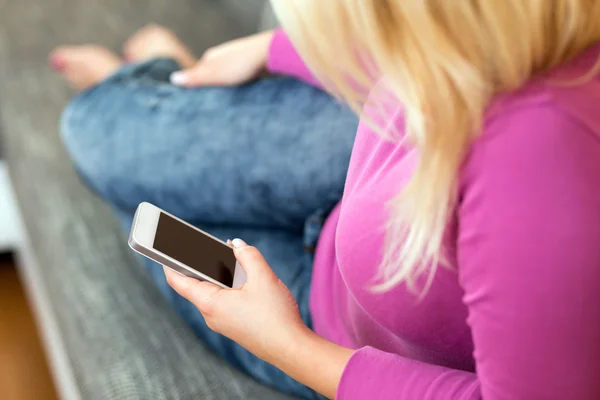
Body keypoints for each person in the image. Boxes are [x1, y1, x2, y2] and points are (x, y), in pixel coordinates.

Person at [53, 1, 600, 399]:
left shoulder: (540, 160)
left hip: (326, 321)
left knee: (125, 185)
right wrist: (272, 48)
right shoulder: (514, 29)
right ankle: (167, 84)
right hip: (371, 162)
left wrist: (289, 346)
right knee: (98, 135)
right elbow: (435, 32)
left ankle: (151, 82)